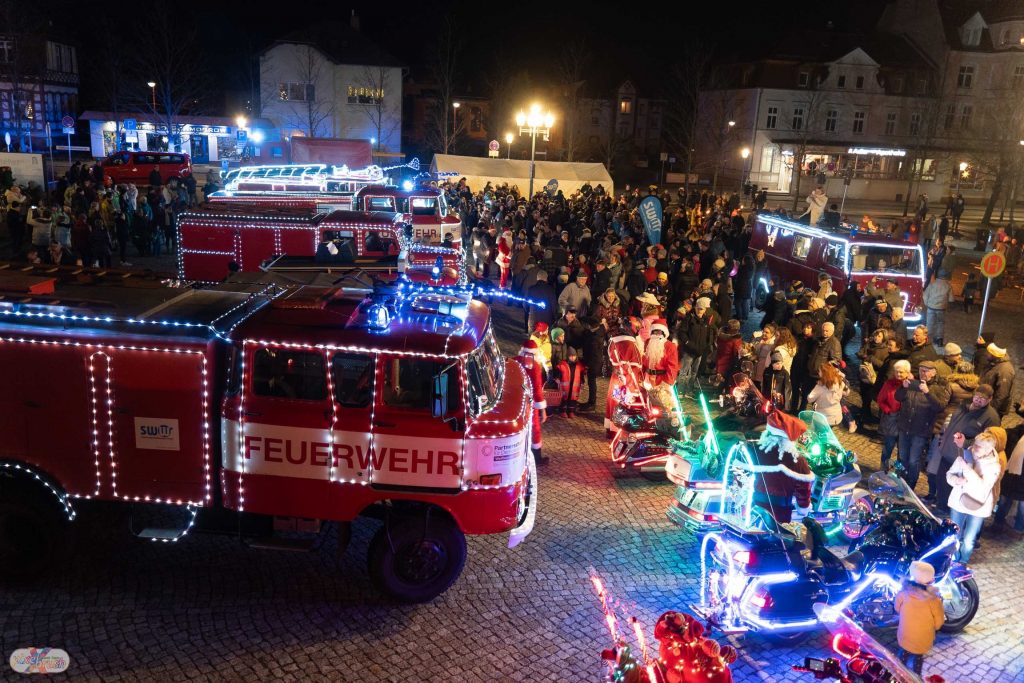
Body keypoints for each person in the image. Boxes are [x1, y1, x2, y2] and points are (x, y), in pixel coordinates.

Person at [925, 383, 999, 511]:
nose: (978, 400)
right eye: (976, 396)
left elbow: (988, 443)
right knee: (942, 481)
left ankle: (946, 512)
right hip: (946, 451)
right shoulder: (964, 404)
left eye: (982, 399)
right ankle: (940, 507)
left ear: (990, 399)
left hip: (961, 458)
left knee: (953, 487)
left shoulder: (991, 418)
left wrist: (966, 443)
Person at [946, 429, 1002, 562]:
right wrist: (956, 480)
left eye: (980, 446)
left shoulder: (994, 466)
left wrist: (967, 469)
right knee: (954, 535)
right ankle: (952, 560)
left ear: (989, 450)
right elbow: (949, 474)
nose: (975, 448)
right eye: (975, 444)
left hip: (978, 506)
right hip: (959, 502)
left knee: (969, 539)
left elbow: (982, 487)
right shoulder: (967, 455)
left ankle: (963, 562)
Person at [750, 410, 814, 524]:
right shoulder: (797, 461)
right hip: (780, 514)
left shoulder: (754, 451)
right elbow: (803, 491)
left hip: (752, 510)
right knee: (778, 539)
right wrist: (804, 508)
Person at [895, 361, 950, 489]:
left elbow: (939, 407)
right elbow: (898, 397)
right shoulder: (913, 383)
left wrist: (927, 392)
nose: (922, 373)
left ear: (933, 372)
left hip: (920, 431)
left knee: (914, 460)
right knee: (902, 457)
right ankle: (900, 481)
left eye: (926, 370)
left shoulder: (937, 388)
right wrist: (903, 387)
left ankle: (910, 485)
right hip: (905, 427)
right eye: (921, 370)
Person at [894, 560, 945, 676]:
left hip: (905, 635)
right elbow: (939, 622)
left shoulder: (904, 593)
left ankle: (897, 672)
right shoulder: (934, 600)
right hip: (922, 639)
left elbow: (897, 608)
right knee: (918, 657)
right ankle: (916, 676)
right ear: (931, 580)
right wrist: (934, 627)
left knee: (903, 653)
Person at [642, 319, 682, 435]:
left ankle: (667, 430)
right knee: (648, 406)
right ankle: (649, 427)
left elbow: (672, 366)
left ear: (664, 333)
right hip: (648, 379)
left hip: (662, 381)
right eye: (654, 332)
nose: (656, 334)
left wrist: (668, 383)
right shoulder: (648, 342)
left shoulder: (670, 346)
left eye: (659, 332)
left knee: (665, 407)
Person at [606, 322, 644, 438]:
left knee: (615, 401)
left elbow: (611, 361)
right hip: (629, 377)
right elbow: (637, 363)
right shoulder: (631, 344)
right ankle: (624, 428)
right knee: (627, 402)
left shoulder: (613, 343)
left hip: (616, 377)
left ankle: (612, 429)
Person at [515, 340, 548, 464]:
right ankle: (536, 457)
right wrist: (542, 410)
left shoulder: (514, 361)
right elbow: (537, 390)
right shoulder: (535, 367)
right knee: (535, 428)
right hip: (529, 402)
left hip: (516, 401)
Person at [878, 360, 911, 472]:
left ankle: (898, 472)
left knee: (902, 450)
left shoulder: (912, 385)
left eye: (901, 372)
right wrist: (888, 410)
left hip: (906, 420)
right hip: (891, 419)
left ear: (908, 372)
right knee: (888, 446)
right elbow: (880, 400)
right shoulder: (889, 384)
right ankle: (883, 469)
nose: (898, 374)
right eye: (896, 372)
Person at [807, 361, 853, 430]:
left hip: (823, 418)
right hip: (836, 417)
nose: (818, 373)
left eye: (819, 371)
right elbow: (847, 392)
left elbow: (810, 398)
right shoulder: (839, 382)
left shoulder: (820, 386)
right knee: (827, 431)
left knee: (819, 434)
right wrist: (839, 393)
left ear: (824, 374)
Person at [578, 317, 606, 412]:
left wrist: (587, 364)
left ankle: (592, 403)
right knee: (591, 382)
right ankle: (591, 402)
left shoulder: (594, 339)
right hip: (596, 361)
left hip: (594, 363)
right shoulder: (599, 331)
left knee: (592, 382)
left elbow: (592, 353)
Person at [980, 343, 1015, 417]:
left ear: (994, 355)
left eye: (988, 353)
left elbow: (1002, 395)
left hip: (992, 409)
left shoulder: (1005, 370)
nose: (986, 354)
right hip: (985, 403)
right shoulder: (993, 363)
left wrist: (991, 411)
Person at [922, 270, 954, 346]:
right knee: (940, 323)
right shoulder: (948, 286)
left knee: (929, 323)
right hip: (941, 309)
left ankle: (927, 340)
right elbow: (951, 299)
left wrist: (927, 303)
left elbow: (925, 295)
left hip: (931, 307)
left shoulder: (932, 284)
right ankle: (939, 340)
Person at [556, 346, 586, 418]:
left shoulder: (579, 365)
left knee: (573, 399)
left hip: (574, 387)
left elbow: (581, 375)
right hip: (565, 387)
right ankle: (562, 411)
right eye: (571, 356)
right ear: (568, 356)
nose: (572, 358)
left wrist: (582, 382)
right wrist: (557, 379)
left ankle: (571, 411)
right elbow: (559, 373)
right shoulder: (563, 364)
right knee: (564, 399)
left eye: (574, 356)